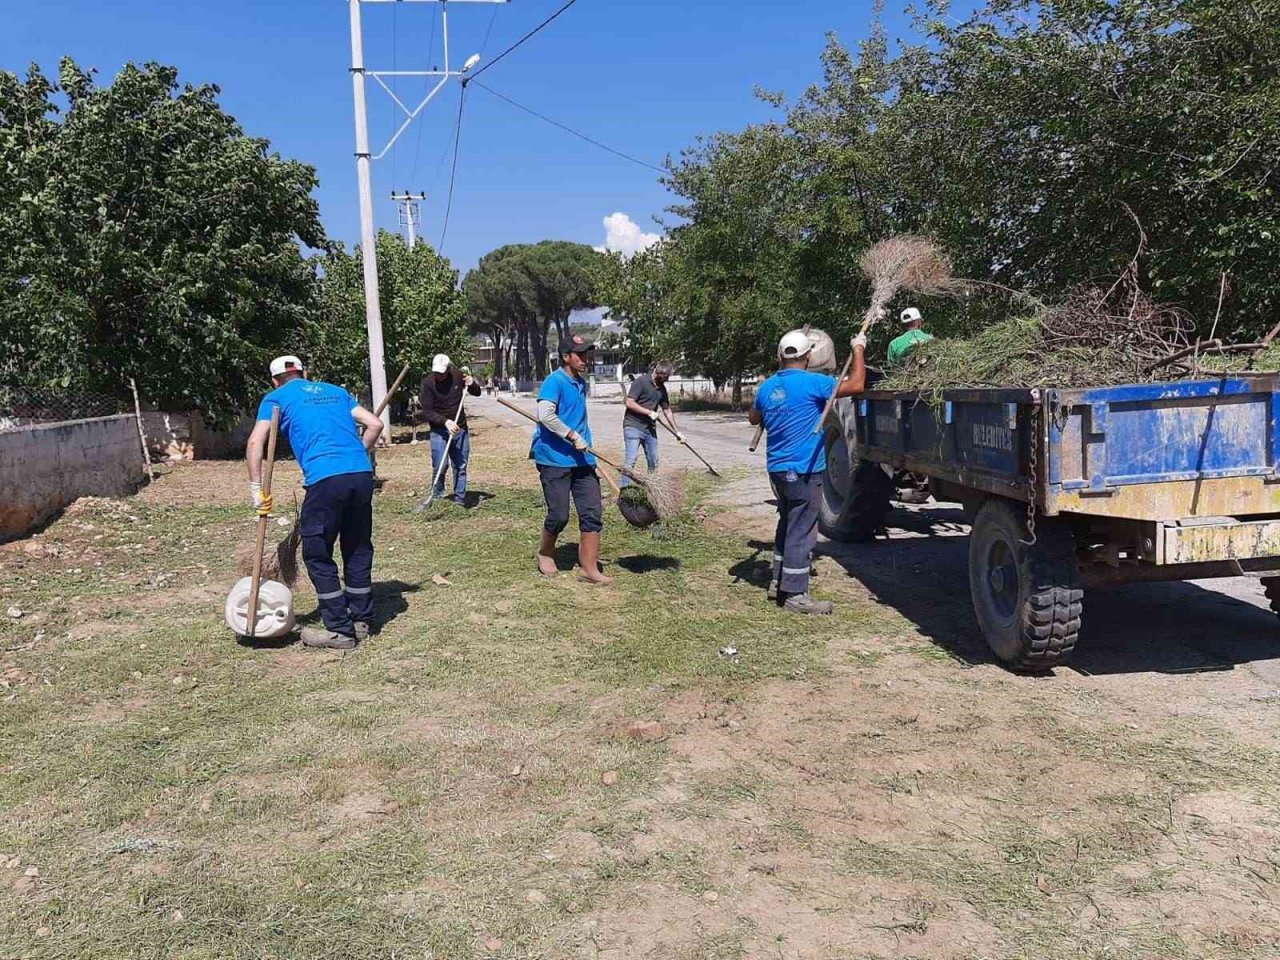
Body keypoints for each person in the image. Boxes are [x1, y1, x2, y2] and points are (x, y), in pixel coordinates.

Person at [246, 355, 384, 649]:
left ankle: (339, 631)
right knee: (357, 546)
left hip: (325, 479)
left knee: (317, 552)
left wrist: (256, 489)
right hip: (360, 474)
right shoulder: (336, 391)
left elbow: (257, 441)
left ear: (274, 380)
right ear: (305, 373)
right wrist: (356, 454)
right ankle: (361, 620)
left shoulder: (276, 398)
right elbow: (375, 424)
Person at [749, 330, 867, 615]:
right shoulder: (815, 383)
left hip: (777, 470)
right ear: (808, 356)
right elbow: (857, 384)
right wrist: (859, 349)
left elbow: (754, 417)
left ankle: (778, 579)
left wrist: (777, 408)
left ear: (779, 356)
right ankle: (795, 594)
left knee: (788, 522)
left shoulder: (766, 388)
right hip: (803, 470)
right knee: (802, 530)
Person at [532, 335, 611, 584]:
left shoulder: (580, 382)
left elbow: (579, 419)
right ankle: (545, 552)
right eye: (581, 354)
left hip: (582, 458)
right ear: (566, 357)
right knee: (559, 515)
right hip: (554, 457)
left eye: (588, 354)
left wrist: (586, 444)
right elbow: (544, 414)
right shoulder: (554, 382)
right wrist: (572, 435)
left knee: (592, 512)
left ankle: (589, 569)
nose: (587, 359)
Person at [420, 354, 482, 506]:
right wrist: (445, 422)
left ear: (448, 369)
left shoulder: (458, 375)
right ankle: (437, 496)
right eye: (436, 372)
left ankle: (459, 499)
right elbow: (427, 411)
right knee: (440, 465)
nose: (439, 376)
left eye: (442, 373)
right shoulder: (428, 384)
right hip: (439, 430)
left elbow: (477, 392)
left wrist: (472, 383)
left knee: (460, 465)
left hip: (459, 428)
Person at [621, 362, 685, 486]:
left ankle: (652, 490)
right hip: (633, 426)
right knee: (631, 460)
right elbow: (629, 402)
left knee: (653, 462)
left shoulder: (661, 389)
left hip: (649, 429)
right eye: (666, 377)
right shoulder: (641, 382)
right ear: (658, 373)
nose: (667, 380)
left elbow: (667, 410)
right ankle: (624, 490)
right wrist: (648, 412)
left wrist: (678, 432)